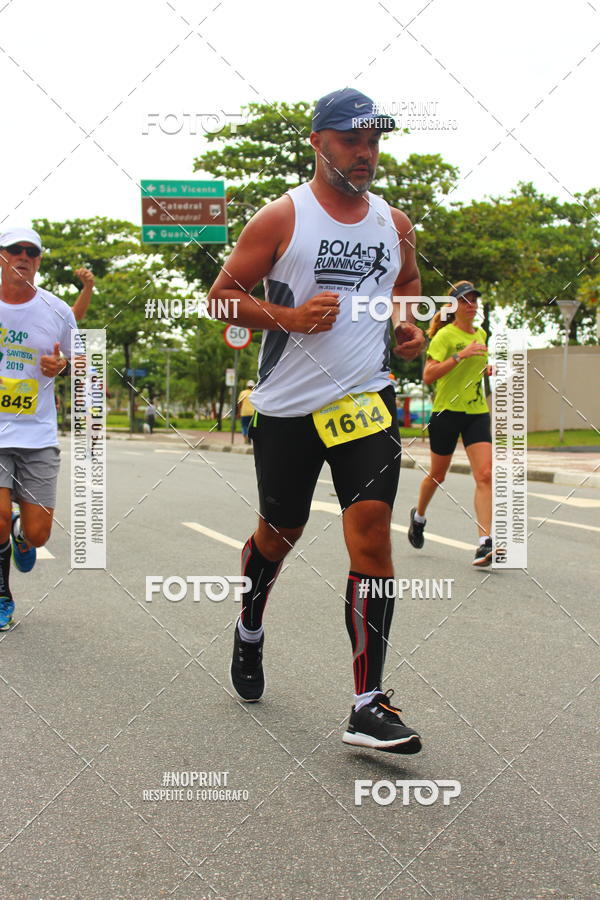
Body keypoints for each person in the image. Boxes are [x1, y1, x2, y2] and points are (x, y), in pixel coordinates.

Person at [208, 88, 426, 754]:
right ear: (318, 142)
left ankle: (367, 703)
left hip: (365, 400)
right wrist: (292, 319)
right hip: (288, 407)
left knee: (370, 537)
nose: (365, 155)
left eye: (374, 143)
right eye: (352, 141)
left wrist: (407, 324)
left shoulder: (395, 222)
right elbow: (220, 302)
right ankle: (250, 625)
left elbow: (408, 284)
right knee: (282, 531)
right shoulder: (281, 218)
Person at [0, 227, 78, 630]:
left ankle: (20, 533)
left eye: (32, 251)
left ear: (39, 261)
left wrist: (62, 366)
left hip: (37, 435)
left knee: (40, 532)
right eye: (16, 249)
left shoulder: (57, 310)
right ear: (2, 256)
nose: (24, 256)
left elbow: (83, 360)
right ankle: (2, 595)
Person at [407, 280, 495, 565]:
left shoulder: (481, 333)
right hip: (447, 412)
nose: (471, 306)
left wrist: (487, 368)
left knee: (484, 474)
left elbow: (476, 368)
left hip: (477, 411)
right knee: (438, 474)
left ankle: (484, 542)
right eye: (465, 301)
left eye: (474, 301)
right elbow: (429, 375)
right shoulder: (445, 336)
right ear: (454, 306)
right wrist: (460, 355)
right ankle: (419, 517)